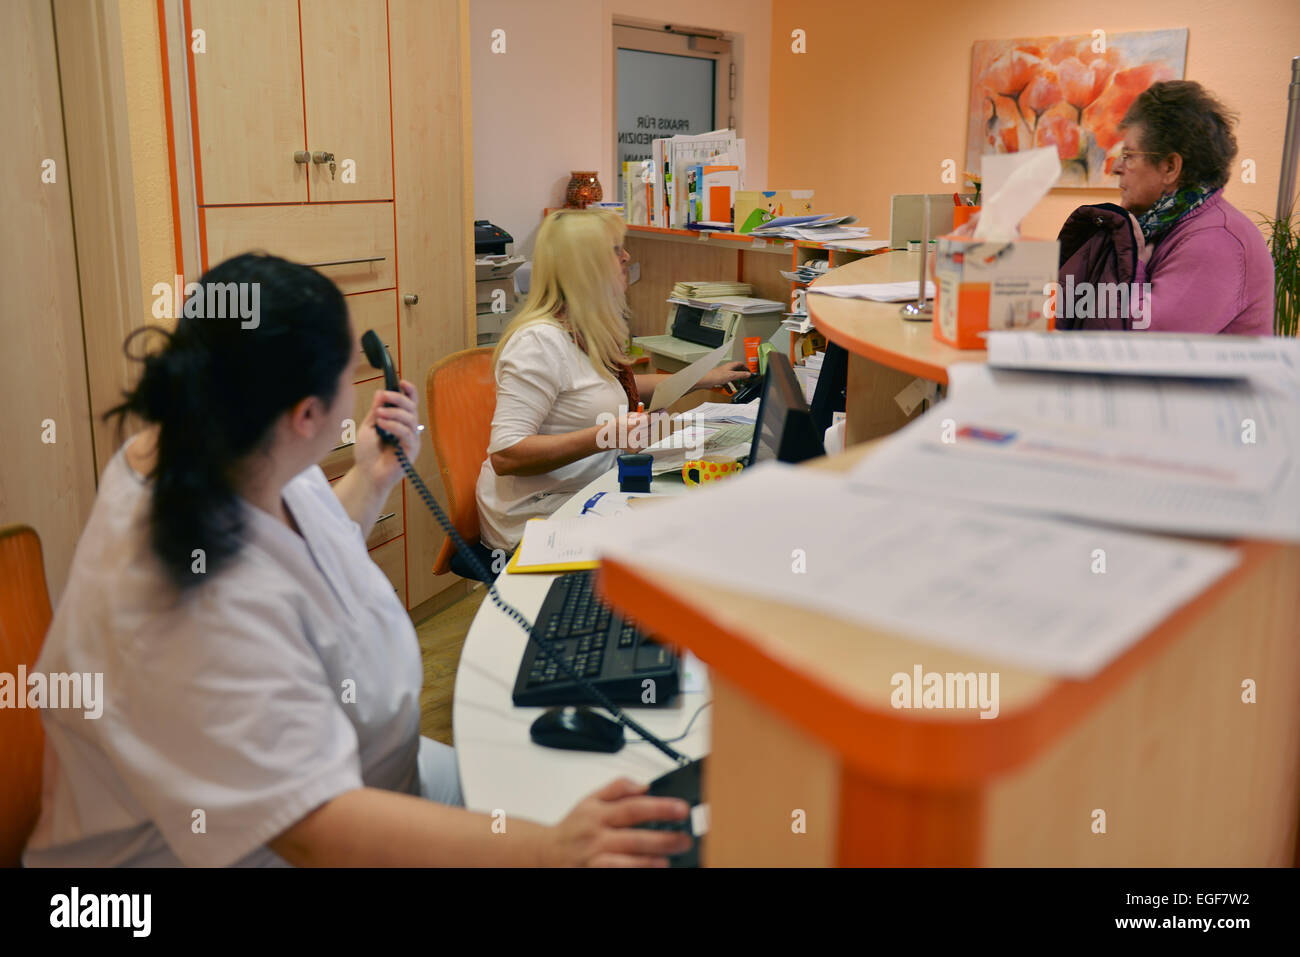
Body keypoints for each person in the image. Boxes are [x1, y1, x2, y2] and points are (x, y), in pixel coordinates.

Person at [22, 253, 691, 867]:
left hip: (376, 775)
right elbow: (317, 828)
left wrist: (370, 476)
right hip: (257, 849)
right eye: (351, 371)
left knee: (568, 794)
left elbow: (299, 546)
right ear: (308, 414)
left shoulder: (229, 436)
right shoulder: (186, 605)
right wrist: (550, 849)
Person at [476, 208, 749, 552]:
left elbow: (612, 390)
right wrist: (608, 434)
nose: (627, 256)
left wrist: (705, 378)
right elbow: (506, 455)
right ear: (584, 267)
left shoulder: (585, 328)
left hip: (594, 488)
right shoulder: (538, 343)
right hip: (539, 512)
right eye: (615, 250)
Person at [1061, 80, 1273, 334]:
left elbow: (1150, 343)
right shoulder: (1159, 226)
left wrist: (1132, 265)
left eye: (1128, 156)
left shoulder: (1216, 240)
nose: (1117, 167)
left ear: (1170, 167)